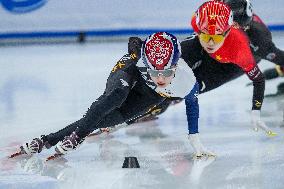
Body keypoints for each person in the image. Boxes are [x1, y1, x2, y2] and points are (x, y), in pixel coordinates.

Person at [11, 32, 214, 159]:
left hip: (152, 95)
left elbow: (192, 106)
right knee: (116, 96)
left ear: (176, 66)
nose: (160, 77)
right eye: (155, 71)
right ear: (147, 62)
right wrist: (80, 134)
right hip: (131, 71)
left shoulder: (187, 81)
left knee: (111, 119)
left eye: (166, 73)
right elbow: (133, 42)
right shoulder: (140, 55)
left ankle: (47, 140)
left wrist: (195, 140)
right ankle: (76, 136)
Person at [128, 1, 276, 136]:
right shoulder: (202, 19)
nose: (212, 40)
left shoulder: (250, 46)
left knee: (179, 89)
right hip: (209, 48)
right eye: (207, 32)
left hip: (228, 66)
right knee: (173, 65)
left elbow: (259, 78)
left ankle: (156, 104)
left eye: (219, 34)